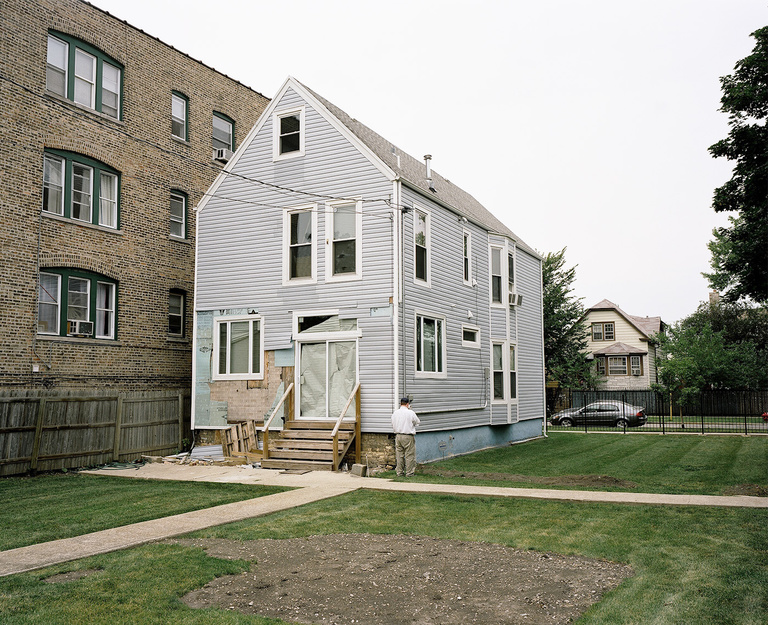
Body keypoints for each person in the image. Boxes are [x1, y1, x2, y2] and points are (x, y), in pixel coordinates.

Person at [391, 396, 420, 477]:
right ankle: (409, 473)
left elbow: (392, 423)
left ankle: (399, 472)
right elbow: (417, 422)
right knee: (409, 455)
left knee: (399, 455)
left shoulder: (395, 413)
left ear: (401, 404)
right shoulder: (410, 413)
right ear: (407, 404)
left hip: (398, 435)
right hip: (407, 436)